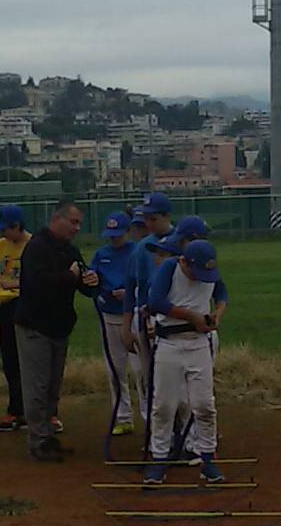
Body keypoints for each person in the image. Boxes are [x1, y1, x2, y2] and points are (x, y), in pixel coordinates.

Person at [15, 200, 99, 462]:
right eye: (73, 222)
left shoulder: (69, 250)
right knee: (37, 386)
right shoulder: (36, 248)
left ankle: (47, 435)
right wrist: (70, 277)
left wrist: (91, 281)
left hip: (59, 327)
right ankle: (37, 441)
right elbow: (40, 285)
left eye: (79, 224)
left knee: (52, 387)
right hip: (35, 326)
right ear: (57, 219)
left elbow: (81, 282)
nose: (77, 228)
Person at [144, 239, 228, 487]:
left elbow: (221, 292)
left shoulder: (208, 272)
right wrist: (191, 315)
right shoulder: (170, 268)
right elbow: (155, 302)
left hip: (199, 343)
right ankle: (159, 458)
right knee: (164, 406)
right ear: (184, 261)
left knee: (204, 404)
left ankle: (207, 457)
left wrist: (218, 312)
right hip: (170, 343)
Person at [121, 192, 175, 413]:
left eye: (153, 218)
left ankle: (190, 429)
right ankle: (154, 425)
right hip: (148, 317)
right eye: (146, 219)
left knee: (178, 376)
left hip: (177, 315)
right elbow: (135, 290)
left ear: (166, 216)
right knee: (149, 375)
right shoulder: (142, 248)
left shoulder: (182, 241)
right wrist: (128, 327)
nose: (148, 223)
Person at [90, 211, 137, 436]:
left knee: (142, 370)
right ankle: (123, 416)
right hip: (109, 315)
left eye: (118, 234)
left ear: (128, 232)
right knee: (115, 370)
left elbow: (148, 282)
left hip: (135, 316)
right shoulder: (101, 254)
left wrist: (130, 293)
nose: (114, 239)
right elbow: (92, 280)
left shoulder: (137, 252)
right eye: (111, 235)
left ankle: (151, 416)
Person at [0, 204, 31, 432]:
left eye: (4, 229)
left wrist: (15, 286)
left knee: (33, 362)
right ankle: (15, 411)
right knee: (10, 361)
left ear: (17, 226)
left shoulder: (33, 246)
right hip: (5, 308)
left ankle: (43, 413)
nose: (1, 233)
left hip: (27, 307)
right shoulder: (0, 246)